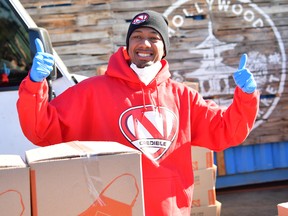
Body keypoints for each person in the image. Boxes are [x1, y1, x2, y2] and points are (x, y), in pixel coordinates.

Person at [17, 10, 259, 216]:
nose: (144, 44)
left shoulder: (183, 97)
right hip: (112, 208)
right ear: (127, 45)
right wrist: (35, 84)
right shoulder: (91, 91)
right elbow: (41, 130)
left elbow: (226, 132)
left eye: (154, 38)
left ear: (164, 48)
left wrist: (246, 97)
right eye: (137, 37)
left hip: (169, 210)